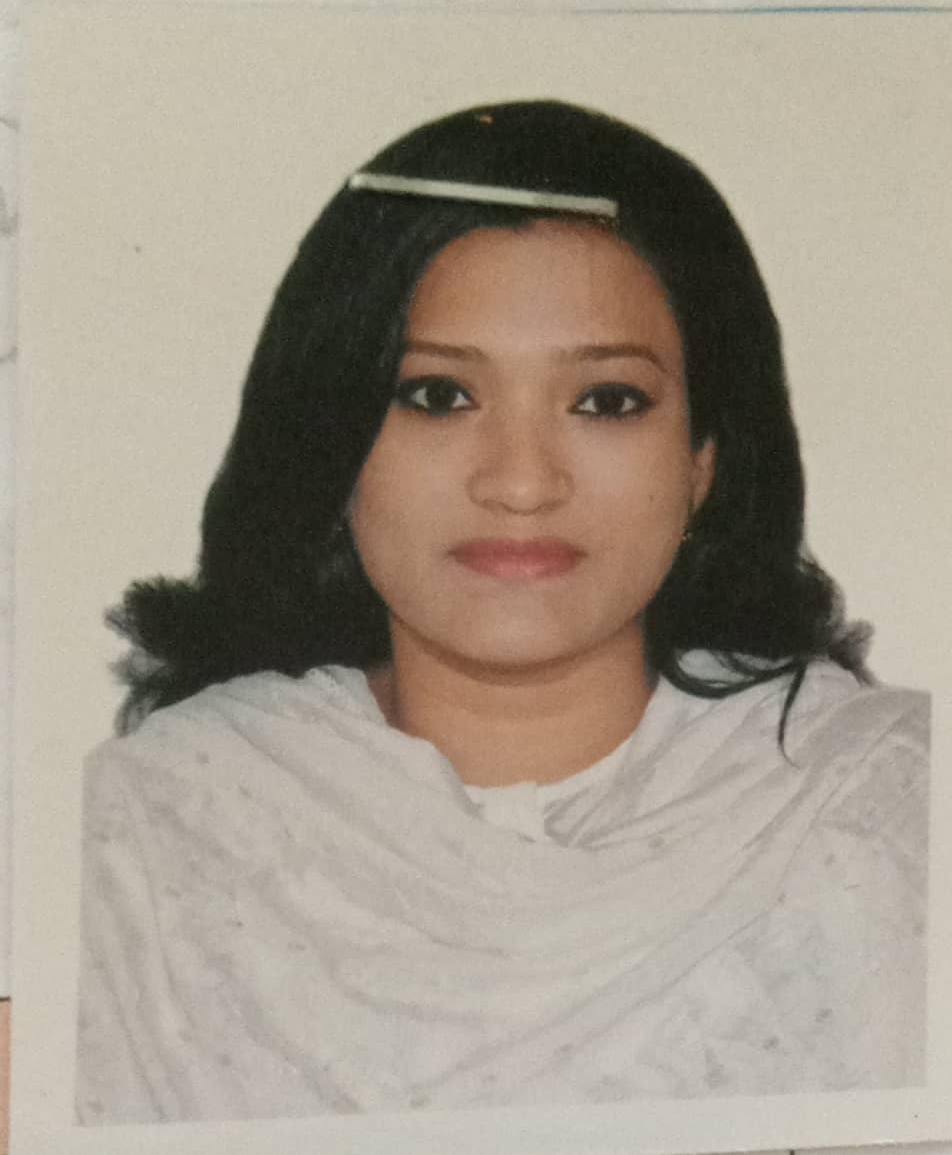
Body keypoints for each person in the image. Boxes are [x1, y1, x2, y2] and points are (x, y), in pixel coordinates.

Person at [75, 100, 928, 1124]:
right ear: (333, 443)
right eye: (439, 396)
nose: (520, 482)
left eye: (606, 400)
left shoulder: (882, 809)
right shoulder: (154, 830)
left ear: (704, 460)